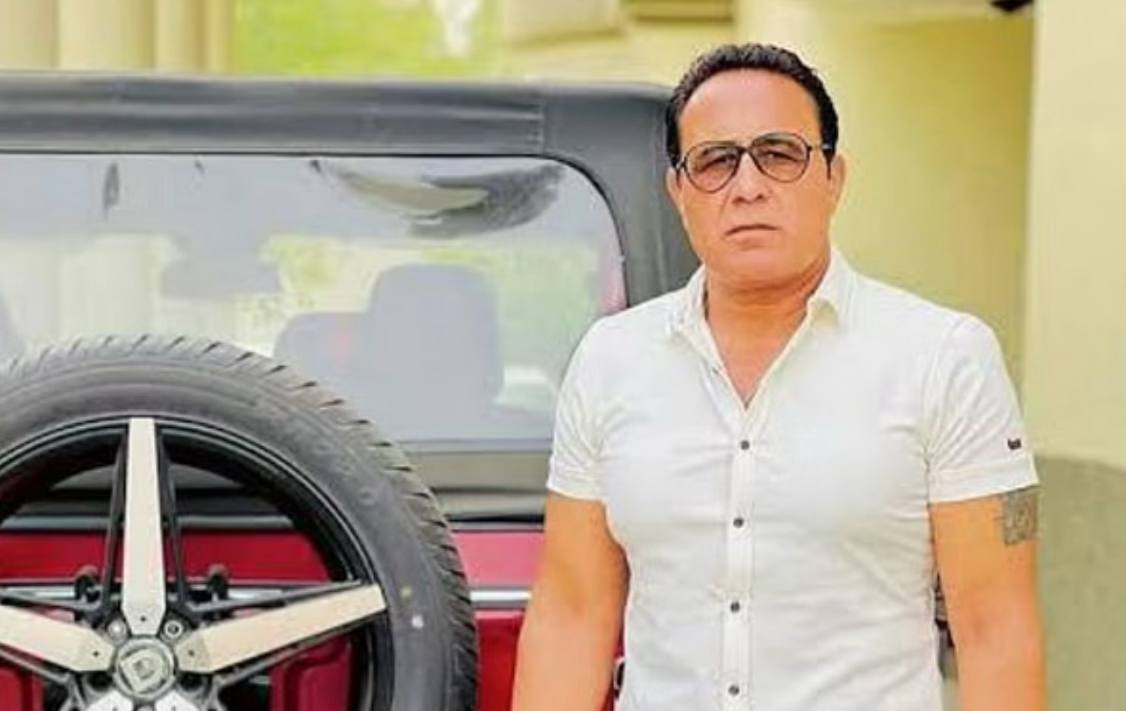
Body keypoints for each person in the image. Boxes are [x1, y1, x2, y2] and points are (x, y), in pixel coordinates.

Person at [512, 43, 1045, 711]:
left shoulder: (944, 357)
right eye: (715, 160)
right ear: (678, 191)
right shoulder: (611, 360)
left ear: (834, 177)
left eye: (779, 153)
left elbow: (995, 628)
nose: (748, 186)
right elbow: (572, 613)